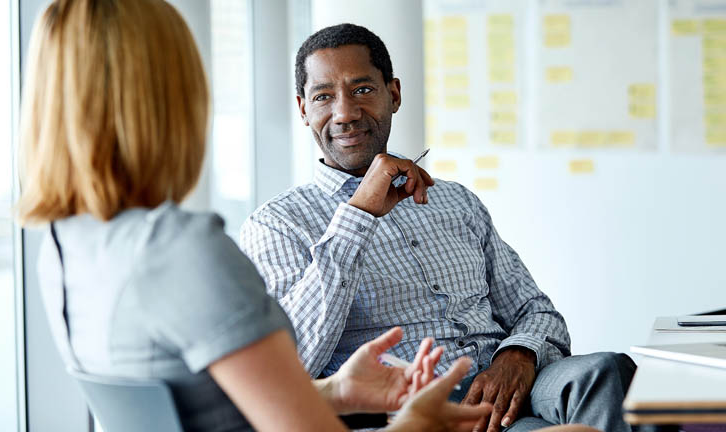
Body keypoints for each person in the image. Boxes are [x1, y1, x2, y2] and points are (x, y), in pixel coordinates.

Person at [17, 0, 495, 432]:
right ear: (169, 100)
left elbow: (204, 411)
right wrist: (418, 423)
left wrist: (337, 391)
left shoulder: (66, 247)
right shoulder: (183, 250)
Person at [239, 23, 637, 432]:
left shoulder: (455, 200)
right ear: (304, 109)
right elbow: (292, 362)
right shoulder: (277, 224)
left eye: (362, 90)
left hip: (514, 383)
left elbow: (536, 310)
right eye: (324, 97)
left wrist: (518, 355)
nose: (345, 113)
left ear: (393, 94)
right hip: (420, 413)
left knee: (604, 370)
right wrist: (357, 215)